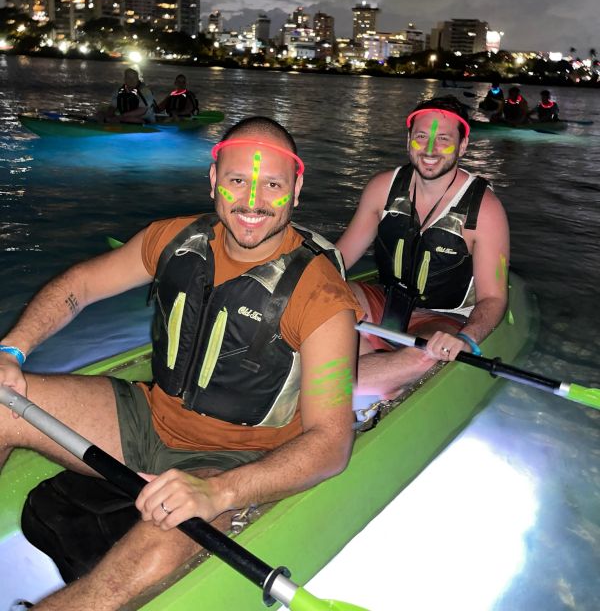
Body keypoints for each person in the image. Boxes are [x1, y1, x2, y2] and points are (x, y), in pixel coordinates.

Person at [0, 116, 361, 610]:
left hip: (234, 461)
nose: (252, 201)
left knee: (116, 583)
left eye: (272, 185)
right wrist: (12, 349)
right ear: (213, 180)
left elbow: (331, 443)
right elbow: (78, 286)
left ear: (296, 190)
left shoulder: (322, 297)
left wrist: (219, 494)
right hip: (149, 420)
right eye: (238, 180)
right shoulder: (173, 239)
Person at [336, 96, 509, 402]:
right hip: (386, 302)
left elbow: (493, 298)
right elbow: (339, 259)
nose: (430, 149)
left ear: (463, 146)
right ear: (409, 140)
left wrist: (467, 340)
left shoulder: (486, 211)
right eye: (421, 137)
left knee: (426, 353)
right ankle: (376, 370)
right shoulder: (381, 188)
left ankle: (368, 379)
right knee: (327, 295)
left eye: (444, 139)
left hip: (442, 319)